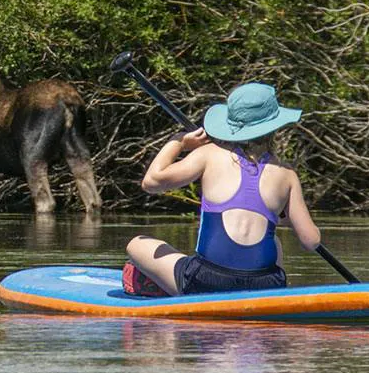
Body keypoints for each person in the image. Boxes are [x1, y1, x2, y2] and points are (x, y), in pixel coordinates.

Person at [124, 82, 322, 296]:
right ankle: (270, 298)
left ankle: (165, 287)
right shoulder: (287, 174)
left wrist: (178, 142)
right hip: (266, 286)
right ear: (273, 127)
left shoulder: (209, 154)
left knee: (136, 244)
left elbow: (151, 182)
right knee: (273, 239)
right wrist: (282, 215)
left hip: (205, 282)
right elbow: (311, 241)